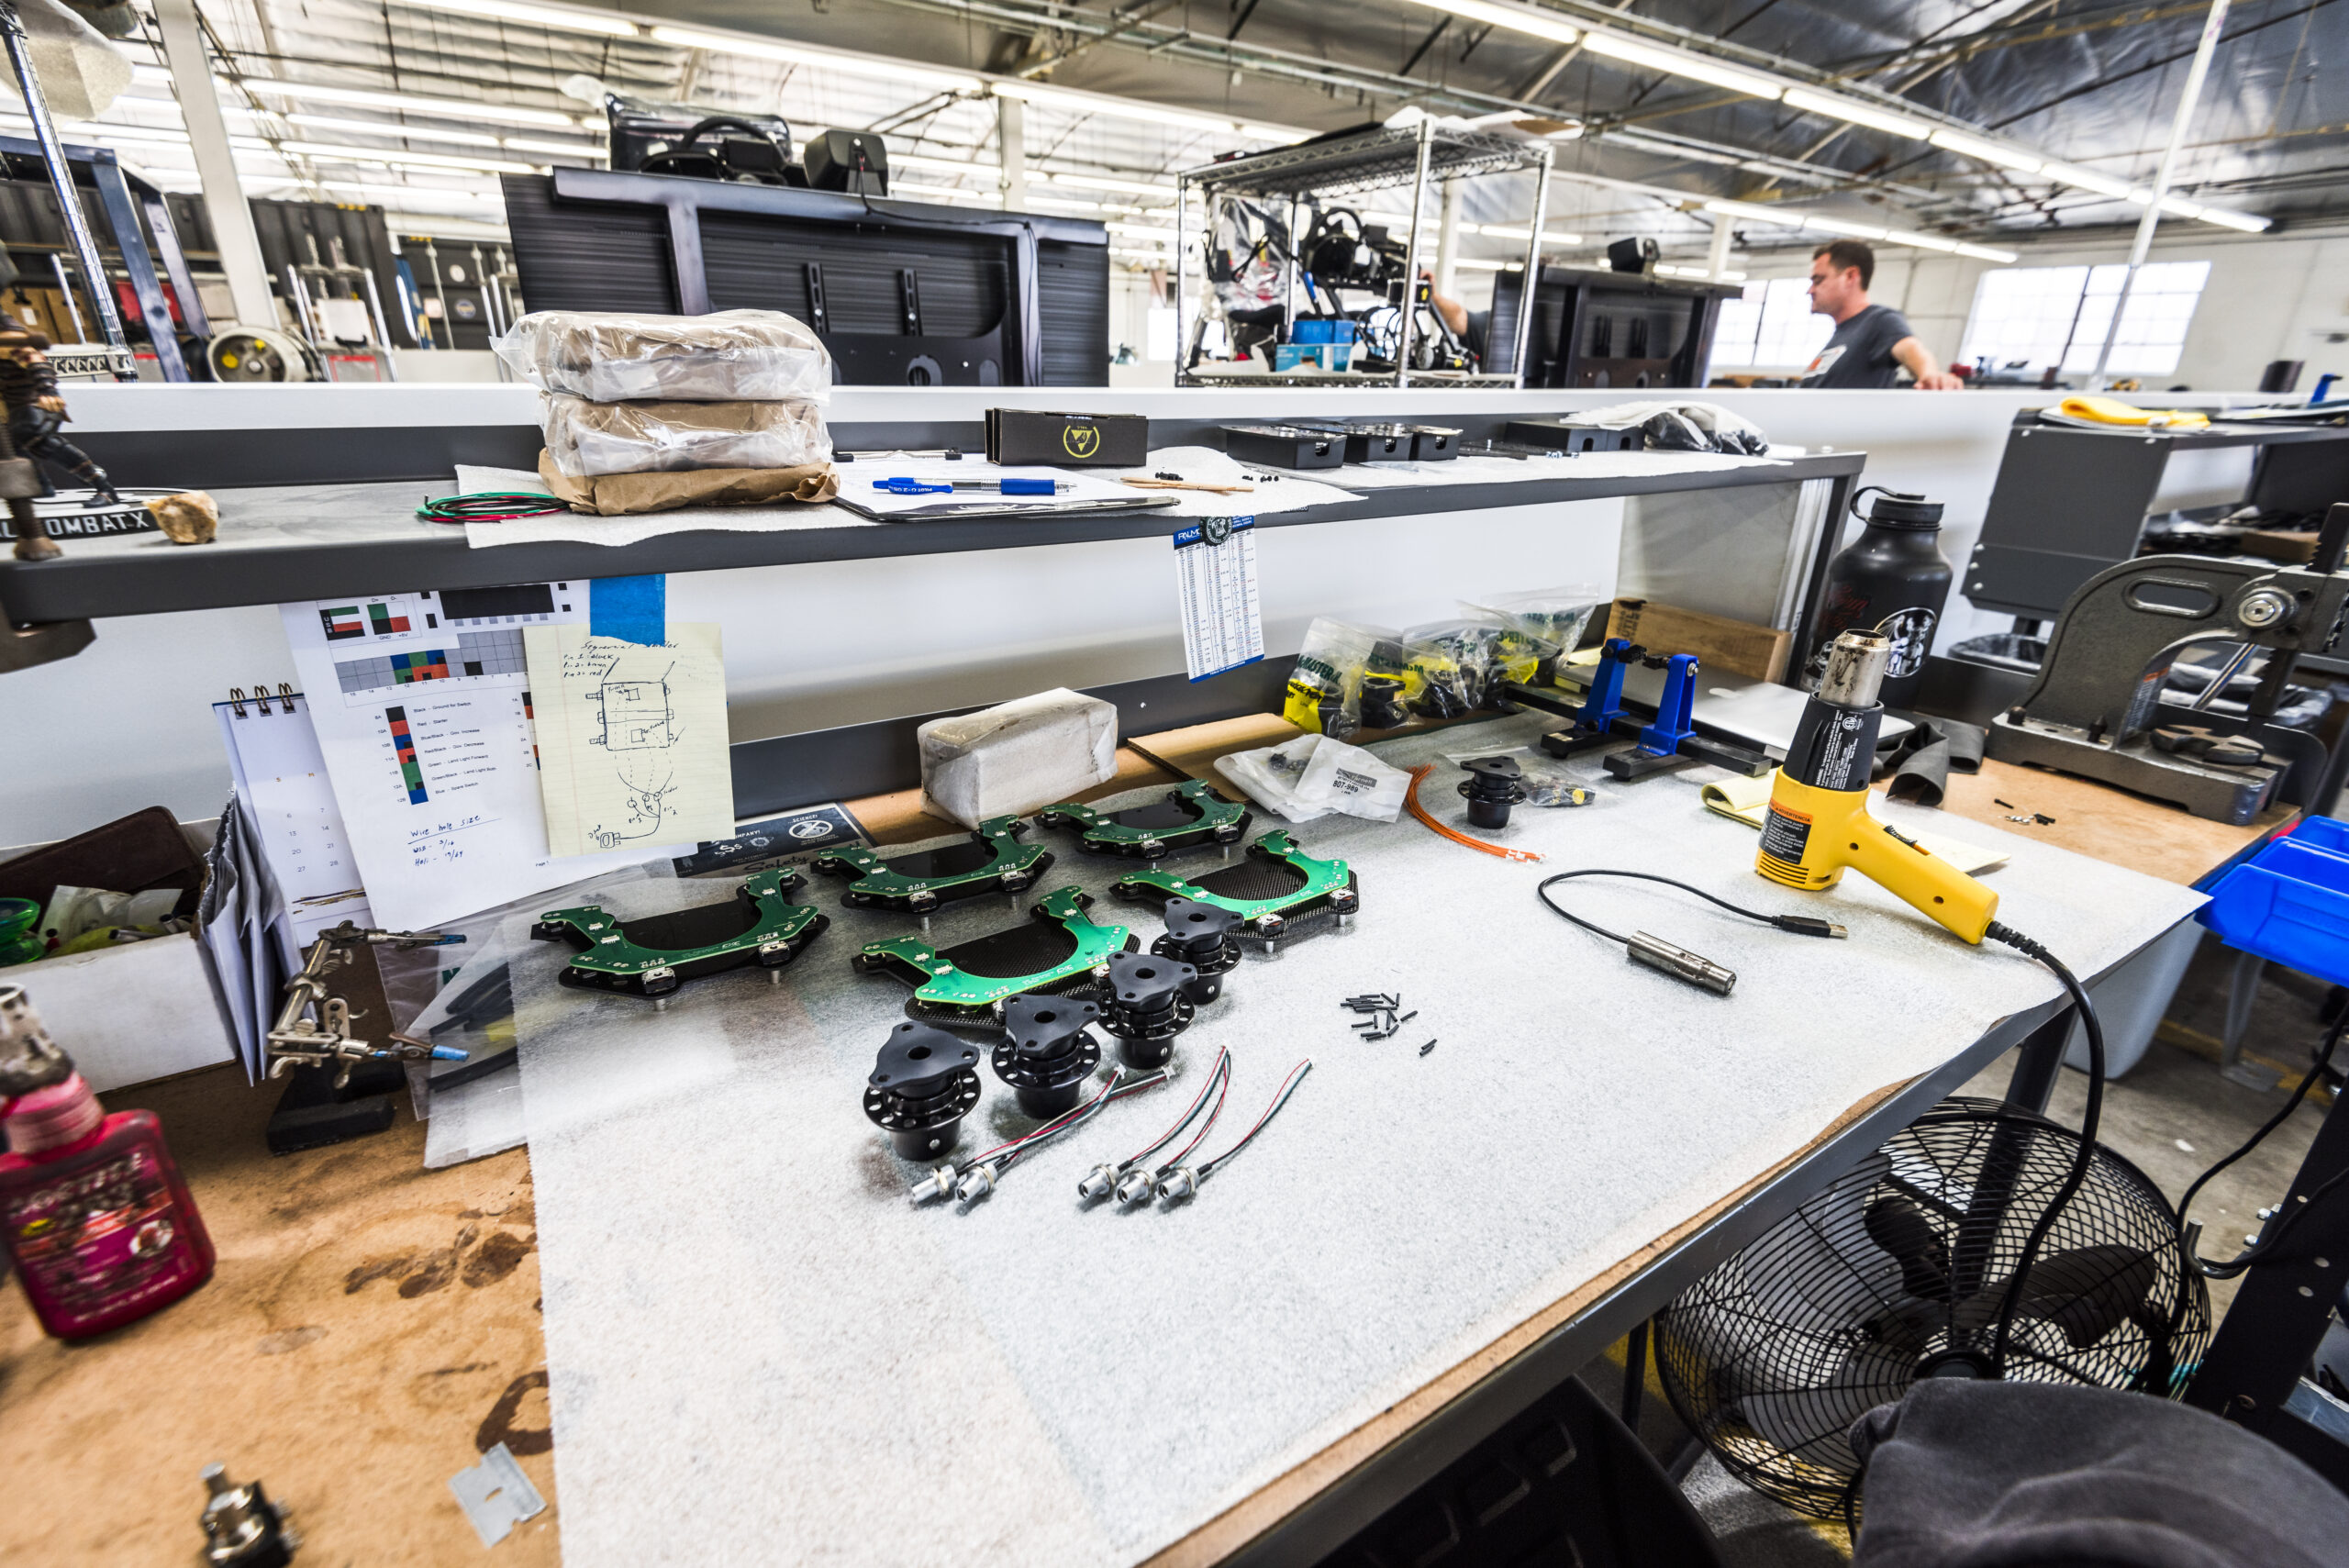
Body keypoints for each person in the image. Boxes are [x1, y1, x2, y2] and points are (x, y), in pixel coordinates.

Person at [1800, 239, 1961, 389]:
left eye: (1818, 280)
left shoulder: (1879, 321)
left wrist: (1929, 374)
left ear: (1850, 276)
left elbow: (1909, 348)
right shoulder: (1843, 332)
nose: (1810, 291)